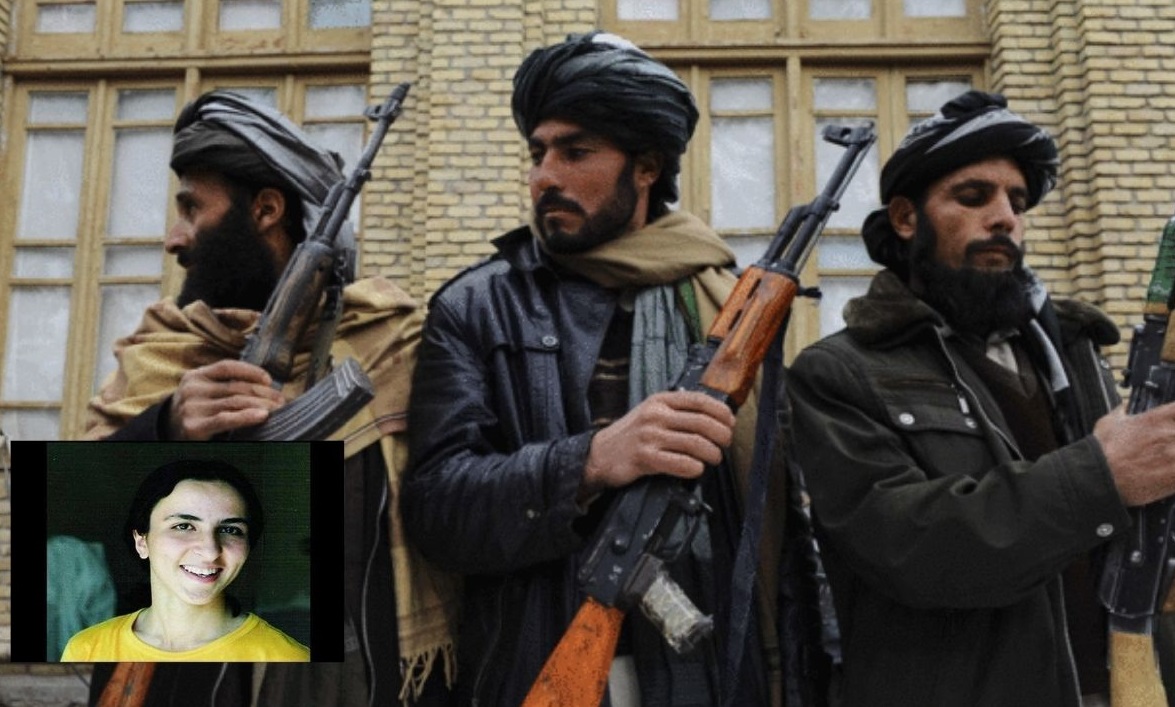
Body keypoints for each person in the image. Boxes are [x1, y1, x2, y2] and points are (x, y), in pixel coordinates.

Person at [402, 31, 786, 706]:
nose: (544, 176)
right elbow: (436, 510)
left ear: (646, 167)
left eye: (574, 152)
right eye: (537, 153)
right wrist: (591, 462)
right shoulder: (476, 306)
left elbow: (776, 523)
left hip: (711, 672)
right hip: (536, 666)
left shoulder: (727, 310)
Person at [784, 90, 1175, 705]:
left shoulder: (1075, 354)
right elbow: (910, 547)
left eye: (1017, 202)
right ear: (906, 219)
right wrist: (1103, 475)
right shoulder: (839, 374)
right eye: (973, 197)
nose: (1004, 218)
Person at [82, 91, 457, 706]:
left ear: (265, 210)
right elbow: (77, 528)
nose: (174, 239)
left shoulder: (394, 345)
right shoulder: (164, 353)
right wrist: (166, 427)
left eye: (192, 209)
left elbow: (456, 511)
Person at [62, 459, 308, 662]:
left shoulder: (288, 657)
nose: (210, 551)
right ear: (141, 541)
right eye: (184, 526)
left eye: (230, 530)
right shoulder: (86, 649)